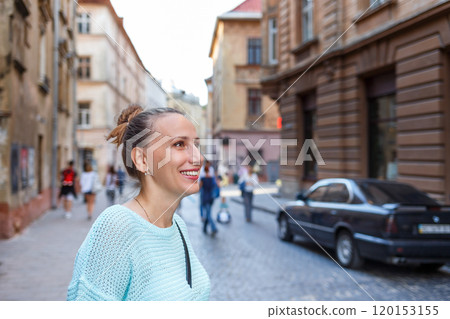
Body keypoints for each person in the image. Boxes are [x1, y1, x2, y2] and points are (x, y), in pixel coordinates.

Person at [67, 105, 210, 301]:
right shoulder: (117, 227)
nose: (198, 158)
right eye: (179, 144)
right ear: (142, 159)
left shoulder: (178, 226)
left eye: (196, 145)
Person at [199, 166, 218, 236]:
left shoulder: (202, 179)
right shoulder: (211, 178)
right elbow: (215, 186)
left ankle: (214, 228)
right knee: (208, 213)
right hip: (210, 198)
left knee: (208, 214)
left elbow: (199, 188)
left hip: (205, 198)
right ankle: (204, 228)